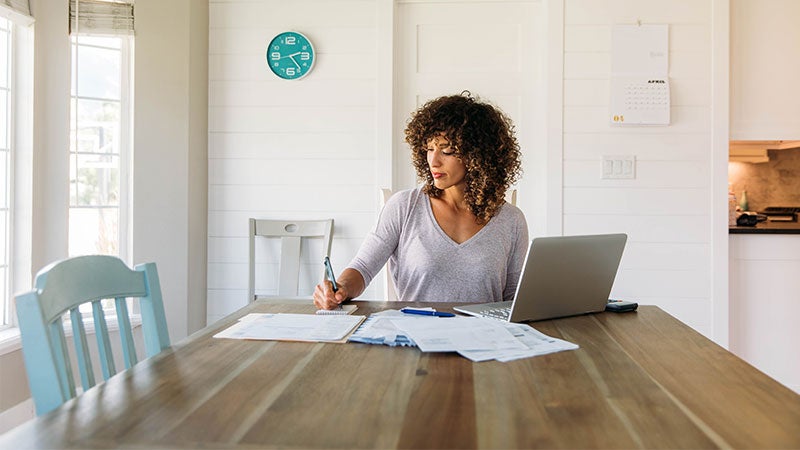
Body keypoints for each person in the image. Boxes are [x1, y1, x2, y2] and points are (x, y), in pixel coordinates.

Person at [314, 92, 529, 310]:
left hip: (486, 338)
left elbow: (514, 299)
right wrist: (339, 288)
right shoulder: (404, 206)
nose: (433, 162)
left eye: (447, 151)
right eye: (429, 149)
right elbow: (362, 267)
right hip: (415, 335)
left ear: (478, 156)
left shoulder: (511, 220)